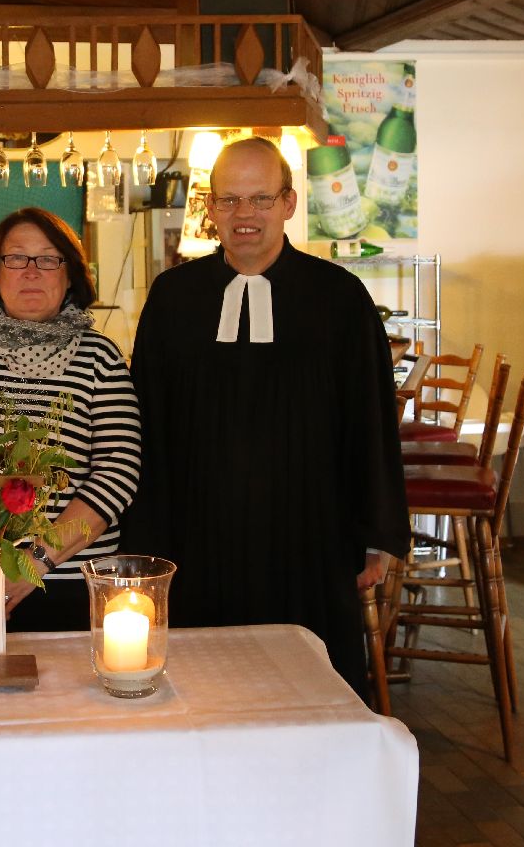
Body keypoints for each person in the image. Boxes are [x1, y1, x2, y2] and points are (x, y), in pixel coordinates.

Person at [125, 136, 408, 700]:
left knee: (312, 691)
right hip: (198, 538)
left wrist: (376, 533)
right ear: (210, 209)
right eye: (228, 200)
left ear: (288, 204)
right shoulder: (173, 297)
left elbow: (371, 420)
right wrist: (145, 539)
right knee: (202, 691)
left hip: (311, 536)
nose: (244, 215)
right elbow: (146, 424)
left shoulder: (341, 299)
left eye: (259, 199)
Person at [0, 207, 141, 631]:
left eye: (49, 258)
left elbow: (118, 470)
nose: (31, 271)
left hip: (66, 579)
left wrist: (34, 562)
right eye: (16, 258)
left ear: (70, 274)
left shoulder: (100, 357)